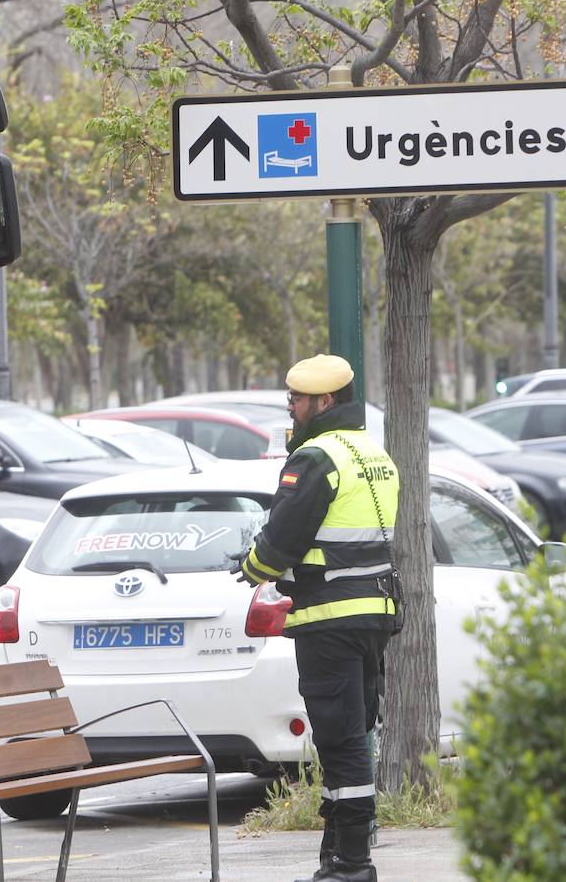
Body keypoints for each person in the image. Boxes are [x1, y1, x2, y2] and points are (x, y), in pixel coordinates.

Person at [236, 354, 398, 882]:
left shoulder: (315, 457)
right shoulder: (373, 454)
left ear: (323, 402)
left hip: (329, 619)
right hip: (374, 615)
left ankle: (352, 863)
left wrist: (251, 567)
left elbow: (282, 538)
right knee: (354, 736)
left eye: (296, 399)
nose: (290, 407)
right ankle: (340, 852)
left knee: (340, 741)